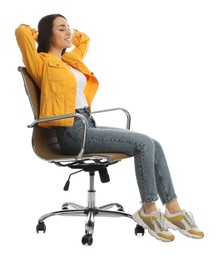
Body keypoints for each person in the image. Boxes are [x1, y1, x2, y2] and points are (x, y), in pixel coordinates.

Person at [15, 14, 204, 242]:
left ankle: (173, 209)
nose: (69, 33)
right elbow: (21, 32)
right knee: (142, 143)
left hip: (87, 123)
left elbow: (84, 40)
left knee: (154, 143)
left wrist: (68, 33)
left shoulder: (71, 60)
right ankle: (149, 210)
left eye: (69, 28)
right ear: (47, 34)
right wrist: (40, 34)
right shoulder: (40, 61)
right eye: (61, 28)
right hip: (71, 131)